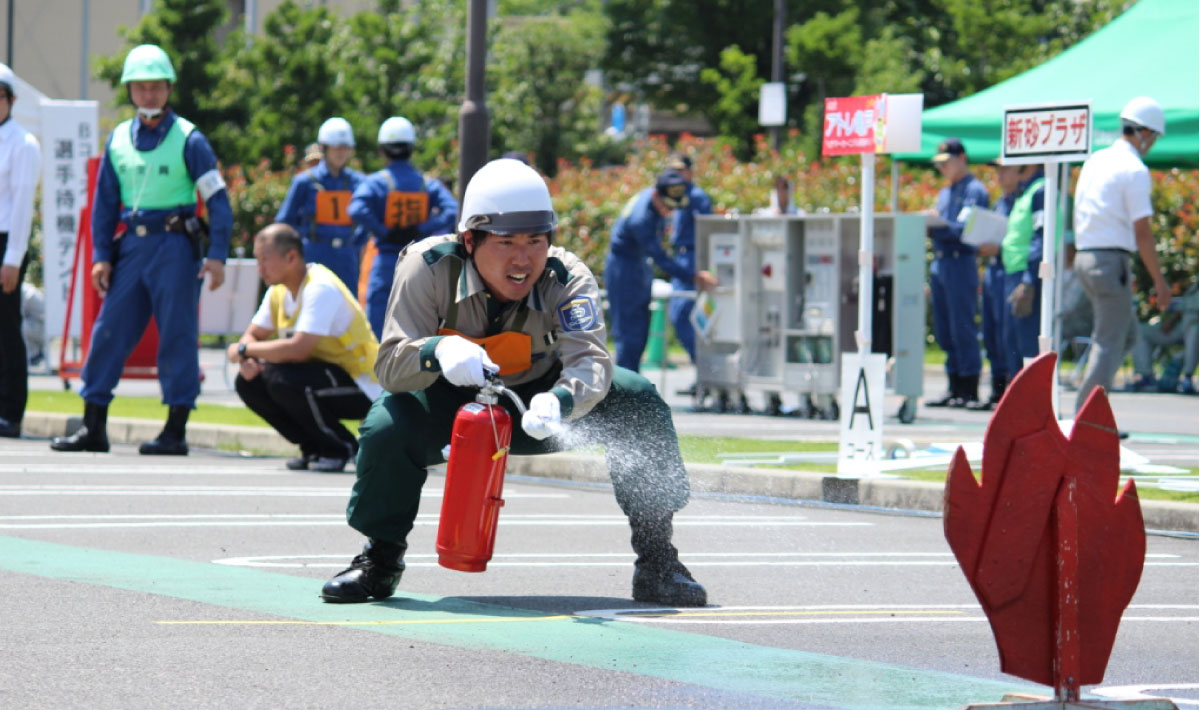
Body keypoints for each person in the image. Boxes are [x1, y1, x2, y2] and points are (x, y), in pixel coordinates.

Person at [320, 158, 708, 607]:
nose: (523, 258)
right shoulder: (424, 267)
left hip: (540, 408)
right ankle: (380, 559)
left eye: (536, 241)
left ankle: (659, 560)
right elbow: (389, 364)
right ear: (470, 240)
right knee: (387, 424)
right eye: (505, 242)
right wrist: (437, 352)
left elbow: (591, 362)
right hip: (453, 406)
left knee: (637, 398)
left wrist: (561, 400)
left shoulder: (567, 276)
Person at [50, 44, 232, 455]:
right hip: (131, 246)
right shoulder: (117, 139)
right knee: (108, 332)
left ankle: (175, 430)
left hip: (175, 246)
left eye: (156, 87)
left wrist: (217, 255)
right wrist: (101, 255)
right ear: (130, 90)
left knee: (178, 336)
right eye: (140, 87)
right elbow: (103, 205)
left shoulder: (191, 139)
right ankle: (93, 426)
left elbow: (218, 201)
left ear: (168, 88)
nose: (149, 94)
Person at [228, 224, 381, 472]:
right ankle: (313, 447)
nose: (260, 268)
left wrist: (246, 351)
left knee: (281, 378)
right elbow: (253, 334)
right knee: (249, 383)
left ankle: (341, 447)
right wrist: (249, 358)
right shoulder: (278, 290)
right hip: (323, 379)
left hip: (364, 386)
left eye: (265, 259)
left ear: (291, 257)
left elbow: (298, 349)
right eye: (257, 260)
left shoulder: (319, 287)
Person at [1072, 96, 1173, 414]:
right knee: (1109, 342)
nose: (1152, 144)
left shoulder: (1096, 160)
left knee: (1125, 336)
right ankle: (1084, 421)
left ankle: (1092, 411)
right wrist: (1160, 281)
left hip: (1085, 256)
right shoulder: (1134, 169)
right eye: (1154, 138)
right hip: (1109, 260)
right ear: (1143, 133)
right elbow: (1142, 232)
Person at [349, 115, 458, 338]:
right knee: (418, 321)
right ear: (411, 149)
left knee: (379, 322)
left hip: (386, 260)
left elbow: (356, 210)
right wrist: (423, 229)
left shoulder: (376, 183)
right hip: (419, 263)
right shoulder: (426, 183)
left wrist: (384, 231)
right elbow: (452, 208)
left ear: (382, 150)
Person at [604, 169, 717, 372]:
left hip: (638, 265)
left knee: (640, 332)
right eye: (667, 206)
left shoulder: (652, 198)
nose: (669, 212)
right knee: (629, 336)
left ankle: (633, 389)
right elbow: (661, 259)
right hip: (624, 269)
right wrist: (693, 277)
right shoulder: (642, 219)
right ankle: (623, 393)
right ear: (657, 195)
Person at [925, 138, 989, 408]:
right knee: (944, 328)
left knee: (962, 325)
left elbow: (966, 232)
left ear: (961, 158)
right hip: (941, 263)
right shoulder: (945, 193)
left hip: (960, 262)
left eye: (946, 163)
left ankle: (969, 387)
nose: (943, 169)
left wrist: (938, 225)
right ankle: (953, 385)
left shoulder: (975, 190)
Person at [275, 117, 366, 297]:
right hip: (314, 255)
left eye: (345, 147)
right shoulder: (304, 181)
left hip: (347, 257)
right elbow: (284, 222)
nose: (341, 152)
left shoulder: (360, 182)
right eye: (336, 147)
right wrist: (298, 251)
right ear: (324, 148)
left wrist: (357, 242)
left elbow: (371, 218)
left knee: (347, 312)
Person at [0, 62, 41, 439]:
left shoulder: (23, 143)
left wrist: (12, 258)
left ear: (10, 100)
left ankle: (11, 411)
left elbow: (21, 204)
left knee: (7, 330)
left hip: (5, 241)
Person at [969, 161, 1019, 412]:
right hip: (993, 270)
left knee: (1007, 333)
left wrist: (999, 248)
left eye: (1005, 169)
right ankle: (997, 389)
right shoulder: (1000, 202)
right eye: (998, 169)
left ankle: (1010, 391)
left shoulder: (1021, 202)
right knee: (990, 331)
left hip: (1008, 271)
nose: (1000, 174)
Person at [999, 163, 1048, 384]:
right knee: (1013, 345)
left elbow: (1041, 237)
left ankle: (1031, 409)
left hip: (1026, 276)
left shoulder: (1040, 189)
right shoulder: (1028, 189)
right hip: (1015, 274)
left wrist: (1028, 282)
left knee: (1026, 345)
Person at [665, 153, 713, 365]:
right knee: (681, 315)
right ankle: (702, 368)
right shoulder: (676, 196)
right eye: (673, 170)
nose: (677, 174)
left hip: (692, 257)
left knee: (683, 313)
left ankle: (703, 366)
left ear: (690, 172)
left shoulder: (697, 197)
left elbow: (707, 231)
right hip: (680, 256)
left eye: (681, 170)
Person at [1129, 283, 1197, 395]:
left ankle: (1188, 378)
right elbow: (1183, 306)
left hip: (1195, 323)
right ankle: (1146, 377)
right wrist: (1170, 321)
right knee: (1141, 331)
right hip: (1182, 323)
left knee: (1194, 331)